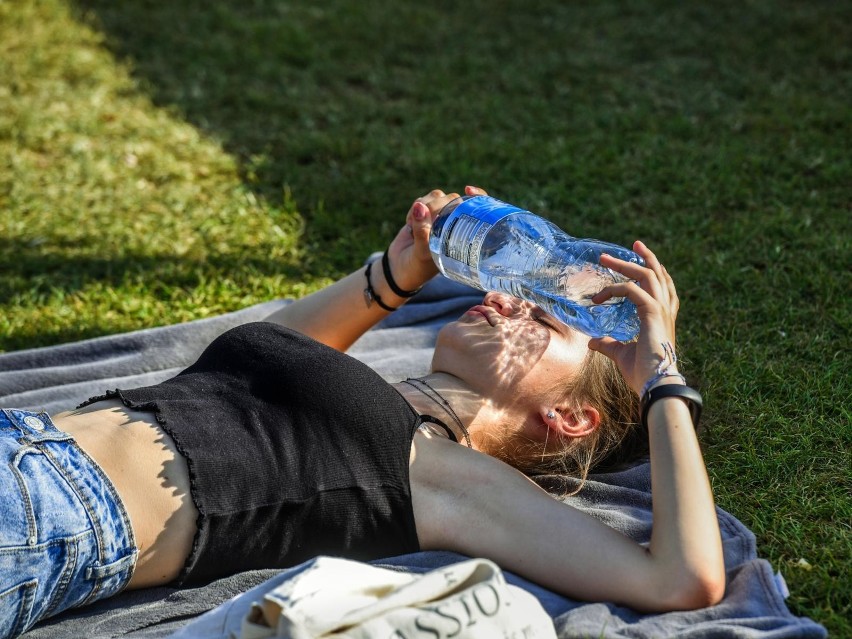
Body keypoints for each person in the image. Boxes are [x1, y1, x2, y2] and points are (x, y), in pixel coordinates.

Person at [0, 186, 725, 639]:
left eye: (543, 318)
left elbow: (681, 578)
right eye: (517, 291)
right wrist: (400, 269)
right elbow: (265, 346)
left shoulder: (446, 476)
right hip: (23, 441)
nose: (505, 298)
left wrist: (658, 372)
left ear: (571, 417)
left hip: (51, 513)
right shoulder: (367, 386)